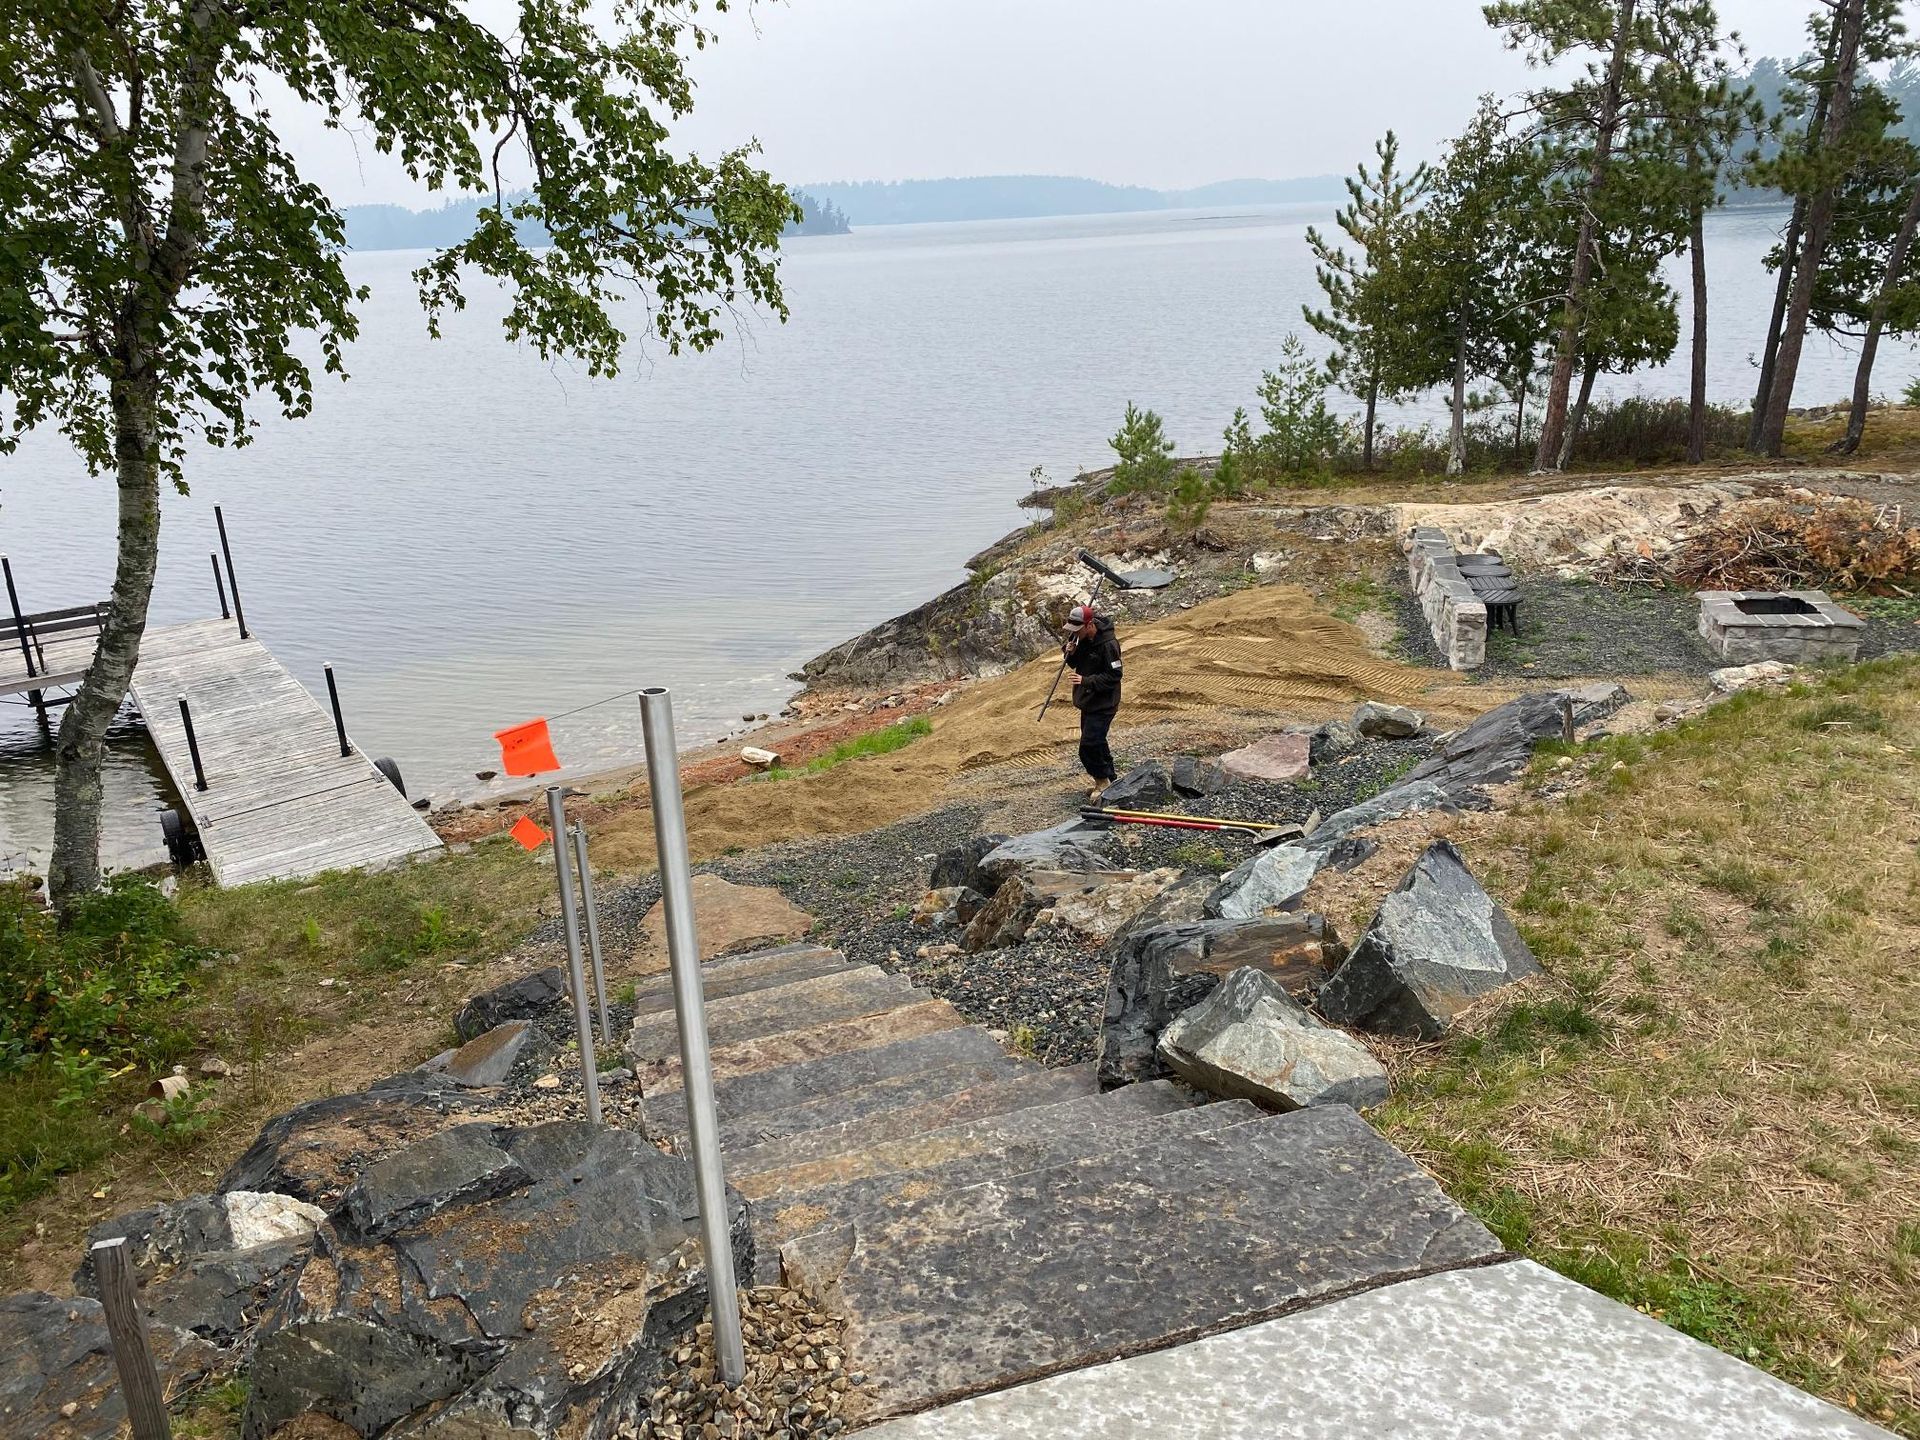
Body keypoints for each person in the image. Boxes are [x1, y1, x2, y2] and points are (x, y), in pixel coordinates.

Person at [1062, 601, 1122, 798]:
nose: (1074, 633)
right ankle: (1110, 780)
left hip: (1104, 704)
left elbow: (1114, 675)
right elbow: (1074, 663)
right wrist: (1070, 652)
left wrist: (1085, 681)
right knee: (1098, 742)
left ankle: (1102, 782)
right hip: (1088, 702)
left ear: (1089, 625)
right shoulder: (1082, 639)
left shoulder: (1109, 645)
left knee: (1089, 746)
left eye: (1077, 629)